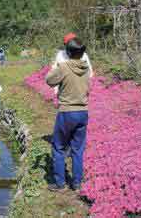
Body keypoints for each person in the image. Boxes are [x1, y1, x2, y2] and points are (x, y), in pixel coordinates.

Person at [46, 37, 90, 192]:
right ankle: (77, 183)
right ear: (82, 52)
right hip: (83, 112)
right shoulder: (86, 68)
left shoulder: (64, 67)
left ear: (68, 52)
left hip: (67, 112)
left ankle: (60, 183)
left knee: (58, 147)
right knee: (78, 149)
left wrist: (55, 67)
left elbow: (49, 80)